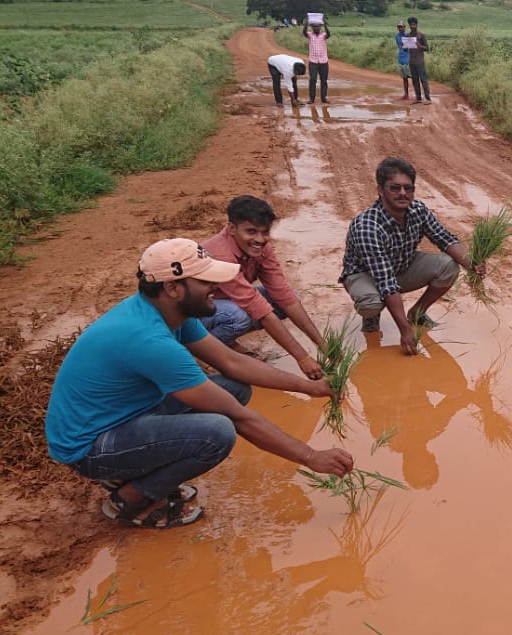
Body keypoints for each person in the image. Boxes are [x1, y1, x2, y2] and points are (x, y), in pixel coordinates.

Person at [45, 238, 355, 528]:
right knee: (216, 432)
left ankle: (131, 472)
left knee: (233, 387)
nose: (216, 287)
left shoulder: (167, 312)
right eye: (206, 281)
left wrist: (309, 387)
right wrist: (311, 457)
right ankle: (131, 499)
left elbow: (231, 362)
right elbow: (238, 417)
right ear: (173, 288)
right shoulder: (149, 338)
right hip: (89, 446)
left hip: (118, 417)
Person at [340, 157, 485, 355]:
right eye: (395, 188)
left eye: (408, 188)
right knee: (371, 303)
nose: (403, 193)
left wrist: (472, 264)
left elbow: (445, 239)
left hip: (401, 265)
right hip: (366, 275)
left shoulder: (418, 210)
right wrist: (405, 330)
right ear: (380, 190)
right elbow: (386, 282)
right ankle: (371, 319)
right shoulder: (368, 226)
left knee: (449, 266)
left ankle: (417, 313)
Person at [200, 195, 327, 380]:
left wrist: (323, 344)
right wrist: (303, 358)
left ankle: (225, 342)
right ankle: (199, 350)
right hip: (189, 316)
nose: (259, 239)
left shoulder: (262, 248)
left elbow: (284, 295)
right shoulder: (220, 255)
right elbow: (257, 308)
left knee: (289, 298)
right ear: (232, 228)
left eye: (265, 232)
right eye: (251, 231)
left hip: (221, 303)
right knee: (238, 317)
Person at [302, 16, 331, 103]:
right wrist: (306, 22)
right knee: (313, 80)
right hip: (313, 61)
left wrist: (325, 24)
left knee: (324, 81)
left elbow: (329, 34)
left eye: (318, 26)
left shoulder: (324, 35)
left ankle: (324, 98)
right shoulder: (310, 35)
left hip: (324, 61)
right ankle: (312, 98)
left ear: (320, 27)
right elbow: (304, 32)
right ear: (312, 27)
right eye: (314, 26)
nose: (316, 28)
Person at [406, 16, 432, 105]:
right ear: (409, 26)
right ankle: (418, 98)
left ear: (416, 25)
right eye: (411, 25)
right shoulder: (408, 36)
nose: (412, 26)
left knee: (423, 79)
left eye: (414, 24)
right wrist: (404, 45)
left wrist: (419, 46)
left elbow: (427, 48)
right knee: (415, 80)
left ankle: (428, 98)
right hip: (411, 62)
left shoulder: (421, 35)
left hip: (420, 61)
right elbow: (406, 50)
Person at [394, 20, 412, 101]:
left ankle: (418, 95)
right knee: (404, 78)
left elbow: (410, 48)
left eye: (402, 26)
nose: (400, 28)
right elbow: (399, 46)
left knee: (413, 77)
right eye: (399, 27)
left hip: (408, 58)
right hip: (401, 58)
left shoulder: (408, 35)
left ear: (405, 27)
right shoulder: (397, 36)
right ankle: (406, 95)